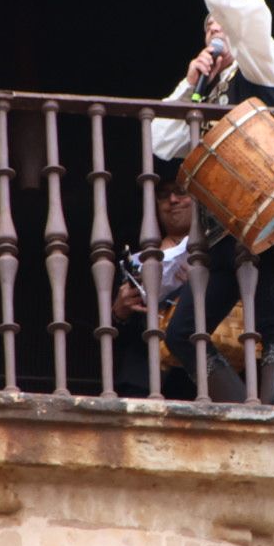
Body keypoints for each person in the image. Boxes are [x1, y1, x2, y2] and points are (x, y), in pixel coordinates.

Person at [150, 0, 274, 404]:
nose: (216, 32)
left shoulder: (263, 60)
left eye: (221, 26)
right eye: (208, 28)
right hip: (220, 231)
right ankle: (242, 409)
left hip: (266, 219)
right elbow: (163, 140)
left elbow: (240, 13)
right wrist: (191, 85)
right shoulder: (206, 86)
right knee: (181, 336)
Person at [113, 168, 197, 399]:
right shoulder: (136, 262)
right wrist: (120, 313)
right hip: (143, 379)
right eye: (163, 195)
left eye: (181, 192)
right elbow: (116, 334)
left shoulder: (215, 252)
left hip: (195, 379)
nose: (172, 200)